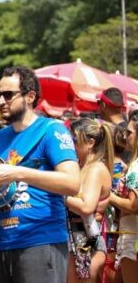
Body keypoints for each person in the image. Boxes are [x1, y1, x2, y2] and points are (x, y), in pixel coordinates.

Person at [0, 66, 80, 283]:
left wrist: (18, 172)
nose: (0, 102)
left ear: (30, 96)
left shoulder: (53, 130)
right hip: (0, 241)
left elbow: (72, 183)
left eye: (8, 95)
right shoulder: (0, 138)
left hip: (40, 240)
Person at [65, 118, 114, 282]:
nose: (70, 144)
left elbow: (86, 207)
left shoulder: (96, 169)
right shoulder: (80, 167)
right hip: (76, 237)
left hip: (86, 240)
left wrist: (59, 193)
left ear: (90, 142)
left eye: (74, 140)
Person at [109, 112, 138, 282]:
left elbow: (133, 206)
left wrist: (109, 196)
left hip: (133, 238)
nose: (125, 136)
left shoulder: (135, 166)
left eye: (129, 132)